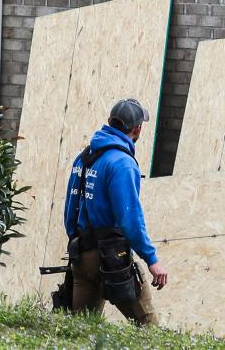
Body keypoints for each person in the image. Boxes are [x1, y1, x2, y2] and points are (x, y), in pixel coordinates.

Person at [63, 97, 167, 325]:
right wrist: (151, 259)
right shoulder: (122, 163)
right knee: (149, 329)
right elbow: (129, 218)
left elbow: (70, 208)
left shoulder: (84, 158)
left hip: (81, 255)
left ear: (110, 121)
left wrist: (76, 242)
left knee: (80, 331)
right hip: (111, 260)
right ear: (138, 128)